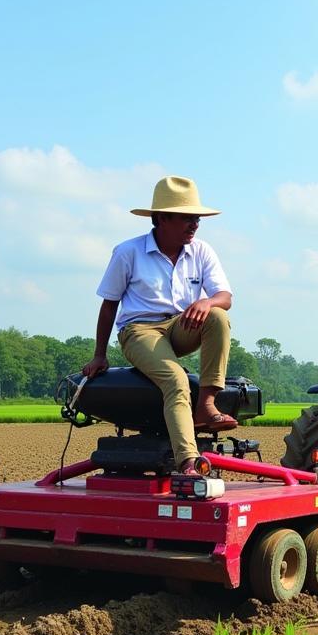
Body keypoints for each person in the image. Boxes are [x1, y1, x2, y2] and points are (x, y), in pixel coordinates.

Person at [82, 175, 235, 475]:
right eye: (187, 218)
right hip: (140, 331)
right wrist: (100, 354)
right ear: (162, 218)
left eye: (197, 219)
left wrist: (207, 302)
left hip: (181, 325)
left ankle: (206, 404)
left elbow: (224, 297)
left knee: (217, 315)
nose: (194, 225)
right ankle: (189, 462)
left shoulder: (201, 251)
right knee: (175, 381)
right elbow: (109, 304)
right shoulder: (128, 252)